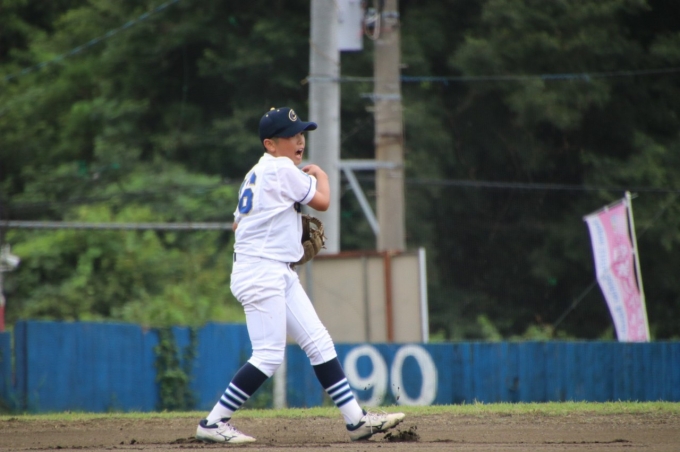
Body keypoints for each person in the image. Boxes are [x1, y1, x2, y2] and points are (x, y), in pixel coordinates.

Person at [195, 107, 405, 443]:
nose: (299, 140)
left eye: (301, 133)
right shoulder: (281, 168)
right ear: (270, 144)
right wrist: (322, 175)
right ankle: (213, 422)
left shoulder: (255, 173)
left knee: (318, 341)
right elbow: (322, 202)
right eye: (290, 136)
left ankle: (356, 421)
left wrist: (283, 229)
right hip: (261, 271)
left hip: (274, 269)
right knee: (268, 355)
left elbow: (238, 224)